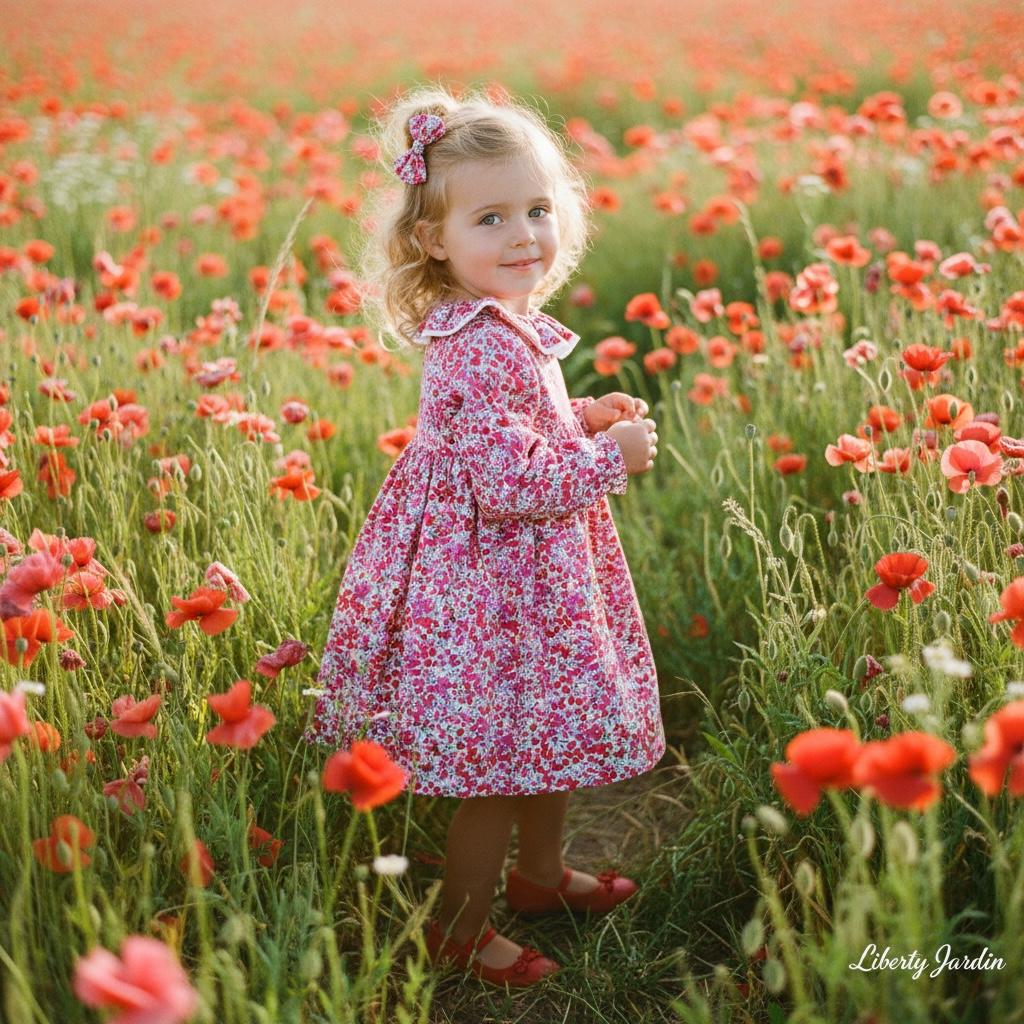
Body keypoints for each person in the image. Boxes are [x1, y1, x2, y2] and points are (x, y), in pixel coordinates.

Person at [303, 84, 666, 988]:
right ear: (435, 239)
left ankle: (541, 880)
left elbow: (513, 430)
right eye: (492, 217)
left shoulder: (503, 328)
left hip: (524, 578)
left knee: (544, 732)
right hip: (487, 587)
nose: (523, 237)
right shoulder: (477, 342)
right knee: (496, 764)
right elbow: (506, 485)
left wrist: (578, 417)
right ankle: (460, 930)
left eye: (539, 211)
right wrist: (611, 459)